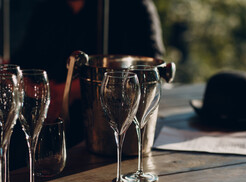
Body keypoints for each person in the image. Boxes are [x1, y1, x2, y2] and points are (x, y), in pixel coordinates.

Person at [11, 0, 166, 147]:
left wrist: (67, 92)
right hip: (46, 131)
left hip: (117, 134)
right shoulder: (46, 9)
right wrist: (35, 90)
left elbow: (151, 70)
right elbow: (21, 63)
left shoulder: (132, 6)